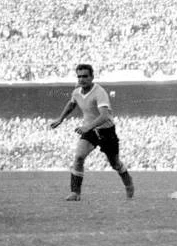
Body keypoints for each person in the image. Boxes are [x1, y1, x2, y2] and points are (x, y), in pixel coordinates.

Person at [50, 64, 135, 201]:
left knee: (115, 163)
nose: (82, 79)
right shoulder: (77, 92)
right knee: (79, 157)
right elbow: (72, 103)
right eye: (79, 76)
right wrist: (61, 118)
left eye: (85, 76)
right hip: (90, 131)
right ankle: (75, 193)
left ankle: (128, 181)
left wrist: (87, 127)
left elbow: (104, 116)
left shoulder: (99, 92)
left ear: (92, 77)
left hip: (106, 131)